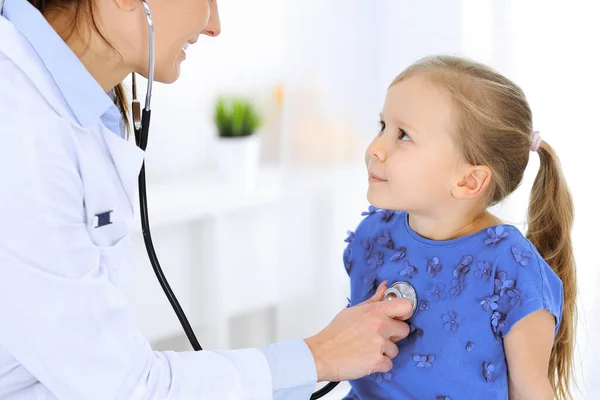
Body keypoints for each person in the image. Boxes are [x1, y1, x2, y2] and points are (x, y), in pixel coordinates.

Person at [0, 0, 414, 398]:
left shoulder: (69, 106)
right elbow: (123, 387)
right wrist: (320, 355)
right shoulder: (20, 131)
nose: (214, 25)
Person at [341, 55, 576, 400]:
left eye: (403, 135)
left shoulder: (510, 270)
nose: (376, 148)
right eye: (382, 127)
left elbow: (530, 391)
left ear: (469, 181)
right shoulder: (374, 236)